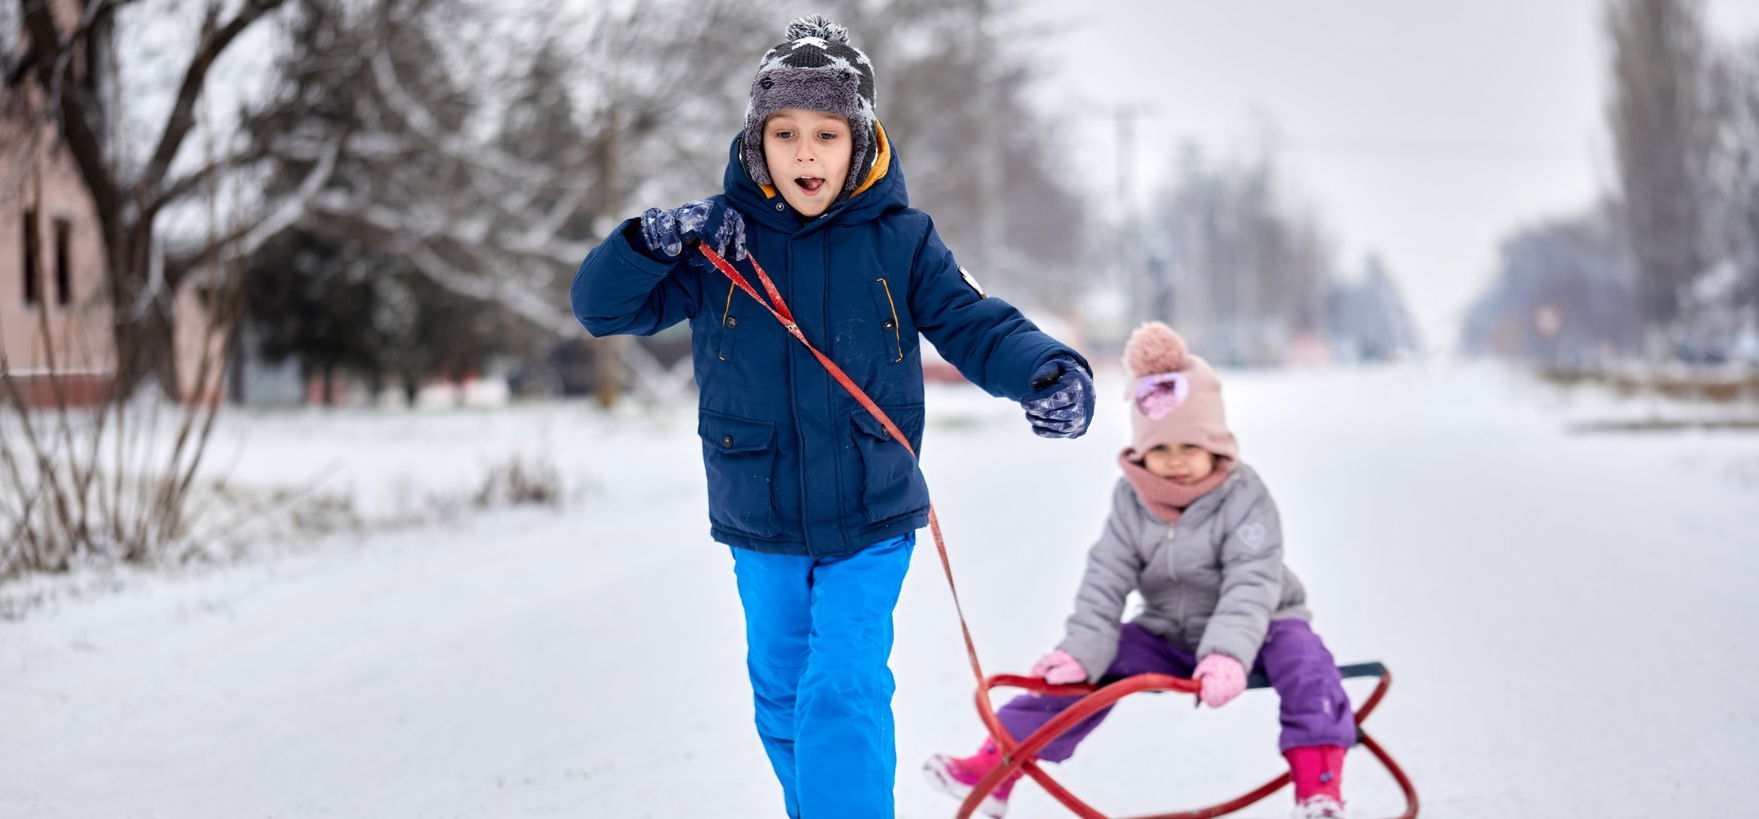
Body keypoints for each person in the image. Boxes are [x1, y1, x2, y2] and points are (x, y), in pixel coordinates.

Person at [569, 14, 1093, 819]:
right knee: (781, 695)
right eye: (784, 133)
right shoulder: (719, 245)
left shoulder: (901, 241)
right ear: (757, 142)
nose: (804, 153)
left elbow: (972, 321)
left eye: (825, 133)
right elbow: (605, 311)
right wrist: (645, 240)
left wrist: (1046, 371)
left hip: (871, 508)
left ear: (861, 143)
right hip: (761, 509)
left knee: (842, 686)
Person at [923, 322, 1356, 819]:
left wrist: (1226, 654)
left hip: (1263, 627)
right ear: (1141, 450)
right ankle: (995, 767)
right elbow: (1105, 580)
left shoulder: (1245, 497)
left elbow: (1250, 583)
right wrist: (1080, 654)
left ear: (1215, 446)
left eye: (1188, 449)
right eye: (1161, 450)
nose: (1174, 463)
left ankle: (1319, 784)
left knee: (1307, 662)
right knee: (1084, 669)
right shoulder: (1133, 500)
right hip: (1169, 630)